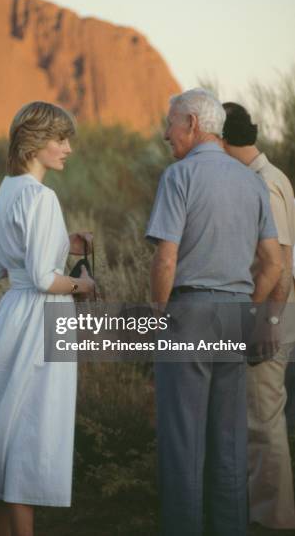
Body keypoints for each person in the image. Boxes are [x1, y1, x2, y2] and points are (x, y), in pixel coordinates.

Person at [146, 88, 282, 536]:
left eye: (170, 123)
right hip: (235, 314)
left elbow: (166, 260)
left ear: (191, 123)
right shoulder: (251, 181)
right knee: (229, 446)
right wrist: (251, 308)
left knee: (183, 446)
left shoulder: (178, 176)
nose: (166, 133)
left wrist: (158, 317)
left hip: (189, 313)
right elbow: (273, 263)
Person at [0, 101, 95, 536]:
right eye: (61, 139)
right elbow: (42, 277)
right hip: (41, 323)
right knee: (28, 436)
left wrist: (62, 244)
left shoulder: (8, 189)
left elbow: (1, 266)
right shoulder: (42, 197)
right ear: (36, 143)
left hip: (10, 318)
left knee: (2, 433)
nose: (68, 149)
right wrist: (82, 286)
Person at [222, 102, 295, 532]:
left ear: (226, 141)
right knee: (257, 416)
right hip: (267, 311)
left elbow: (282, 264)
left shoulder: (265, 184)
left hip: (271, 314)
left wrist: (267, 323)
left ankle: (275, 520)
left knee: (263, 419)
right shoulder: (264, 178)